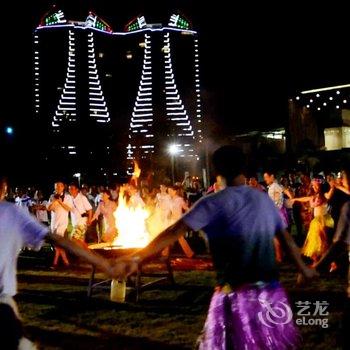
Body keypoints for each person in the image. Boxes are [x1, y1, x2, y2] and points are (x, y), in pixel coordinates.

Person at [113, 146, 317, 350]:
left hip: (235, 300)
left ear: (215, 170)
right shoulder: (262, 200)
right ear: (243, 168)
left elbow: (173, 232)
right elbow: (286, 239)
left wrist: (136, 258)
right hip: (271, 296)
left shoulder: (212, 203)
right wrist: (303, 268)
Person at [0, 175, 117, 349]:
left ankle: (60, 261)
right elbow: (57, 238)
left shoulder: (12, 212)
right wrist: (104, 264)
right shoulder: (11, 212)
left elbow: (60, 232)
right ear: (4, 188)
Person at [46, 181, 73, 268]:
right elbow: (49, 208)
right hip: (54, 223)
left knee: (57, 243)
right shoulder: (51, 196)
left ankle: (55, 263)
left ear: (63, 187)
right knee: (57, 244)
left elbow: (69, 209)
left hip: (62, 223)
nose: (57, 189)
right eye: (55, 187)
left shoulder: (68, 197)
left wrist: (61, 202)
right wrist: (54, 200)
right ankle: (66, 262)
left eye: (59, 187)